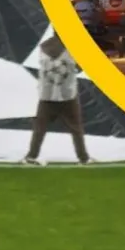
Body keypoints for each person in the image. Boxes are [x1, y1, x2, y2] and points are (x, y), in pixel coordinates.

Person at [23, 32, 92, 165]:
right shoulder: (72, 46)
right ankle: (83, 158)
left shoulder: (43, 46)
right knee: (76, 128)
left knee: (40, 128)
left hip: (47, 94)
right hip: (67, 94)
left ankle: (31, 156)